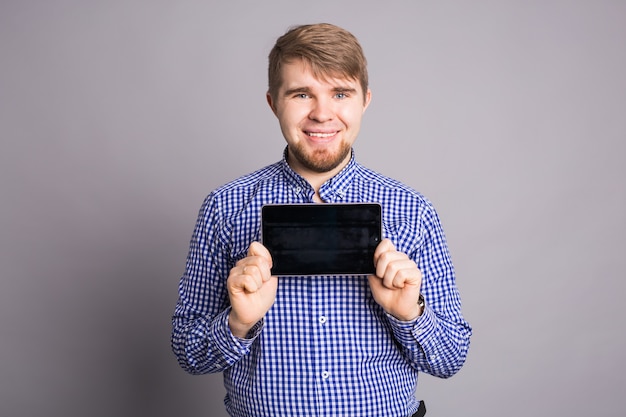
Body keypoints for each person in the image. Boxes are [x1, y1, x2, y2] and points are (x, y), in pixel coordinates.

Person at [171, 23, 472, 417]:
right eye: (301, 94)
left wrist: (409, 312)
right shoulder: (225, 207)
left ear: (364, 100)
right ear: (273, 102)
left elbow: (449, 359)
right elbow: (189, 354)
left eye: (340, 93)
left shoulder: (413, 210)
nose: (322, 113)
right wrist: (238, 322)